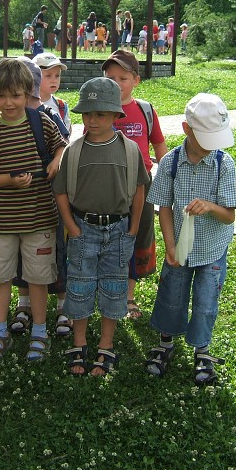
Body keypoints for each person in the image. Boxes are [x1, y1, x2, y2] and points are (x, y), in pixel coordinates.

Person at [0, 59, 66, 362]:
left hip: (39, 218)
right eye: (1, 96)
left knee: (38, 278)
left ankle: (39, 331)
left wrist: (56, 160)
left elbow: (62, 145)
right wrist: (8, 181)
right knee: (1, 277)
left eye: (16, 95)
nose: (8, 103)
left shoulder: (41, 121)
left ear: (27, 94)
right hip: (1, 221)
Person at [54, 77, 149, 376]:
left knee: (114, 287)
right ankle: (79, 342)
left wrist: (133, 228)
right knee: (79, 287)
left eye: (101, 114)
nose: (93, 120)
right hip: (84, 228)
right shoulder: (74, 150)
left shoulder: (130, 150)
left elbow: (138, 191)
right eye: (88, 113)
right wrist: (72, 225)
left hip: (120, 231)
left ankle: (106, 345)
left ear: (115, 116)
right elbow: (60, 191)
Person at [144, 94, 236, 385]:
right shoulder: (171, 163)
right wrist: (170, 247)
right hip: (179, 249)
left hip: (211, 249)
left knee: (206, 301)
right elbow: (164, 209)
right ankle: (165, 343)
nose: (213, 146)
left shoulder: (224, 165)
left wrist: (210, 206)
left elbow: (229, 216)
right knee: (172, 294)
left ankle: (202, 350)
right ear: (186, 129)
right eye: (206, 138)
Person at [103, 49, 168, 317]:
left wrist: (169, 177)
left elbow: (160, 145)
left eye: (123, 78)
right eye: (110, 78)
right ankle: (107, 290)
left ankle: (129, 296)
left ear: (136, 81)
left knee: (137, 235)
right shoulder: (100, 110)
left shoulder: (145, 110)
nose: (116, 84)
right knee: (110, 238)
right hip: (108, 185)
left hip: (142, 185)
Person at [34, 52, 72, 336]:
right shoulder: (25, 104)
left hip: (56, 182)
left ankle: (62, 298)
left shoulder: (61, 106)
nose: (53, 80)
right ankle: (25, 300)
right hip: (29, 183)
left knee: (58, 236)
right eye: (48, 75)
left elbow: (66, 141)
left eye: (57, 75)